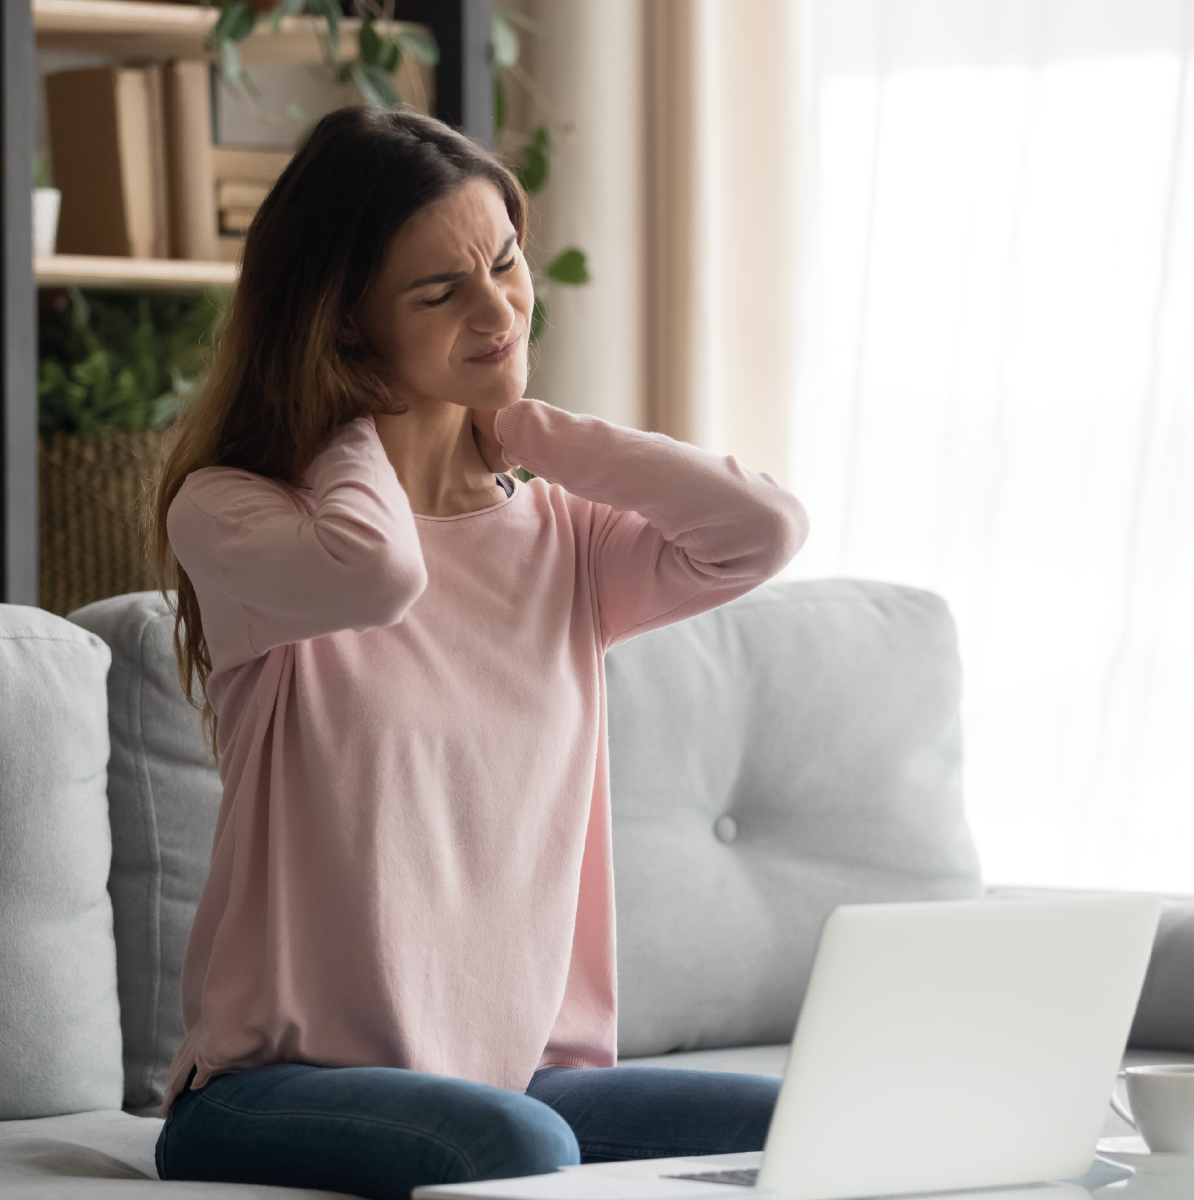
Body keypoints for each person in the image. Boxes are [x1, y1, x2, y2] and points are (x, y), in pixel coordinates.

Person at [152, 106, 808, 1199]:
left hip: (524, 1084)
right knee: (520, 1155)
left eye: (504, 263)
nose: (498, 307)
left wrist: (526, 427)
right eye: (439, 291)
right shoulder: (236, 514)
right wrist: (364, 423)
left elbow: (762, 531)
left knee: (816, 1119)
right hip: (273, 1091)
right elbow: (379, 574)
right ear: (347, 326)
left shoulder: (565, 541)